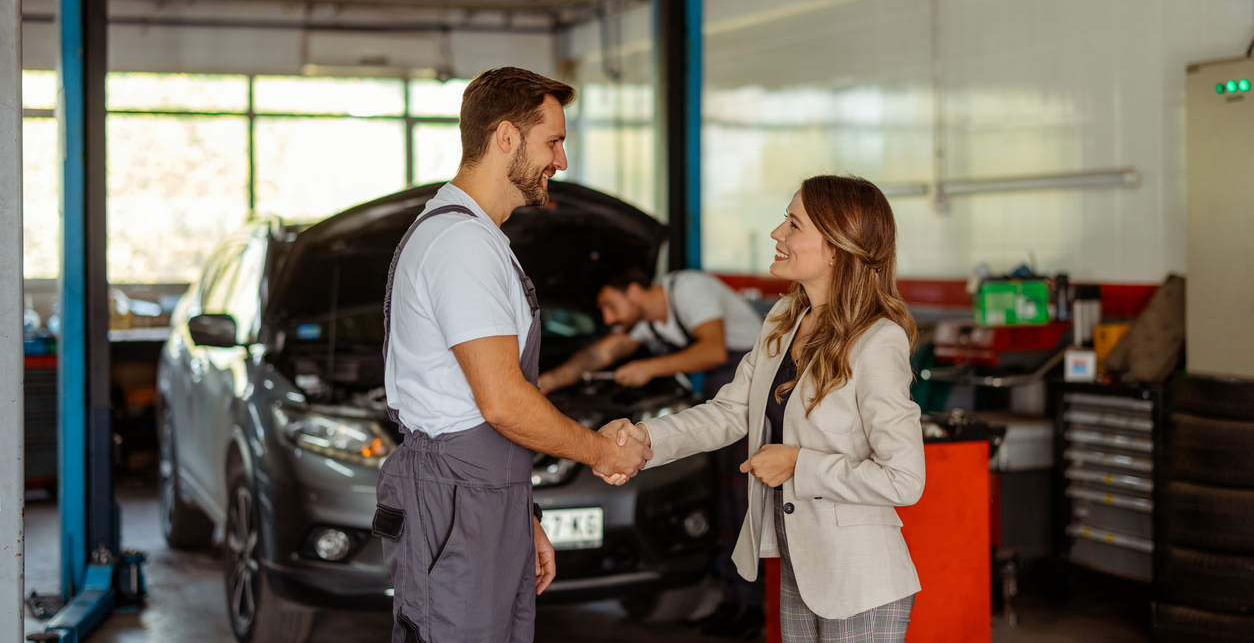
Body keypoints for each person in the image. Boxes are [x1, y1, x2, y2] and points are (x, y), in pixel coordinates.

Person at [375, 67, 652, 643]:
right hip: (456, 504)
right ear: (506, 136)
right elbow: (502, 402)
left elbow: (469, 404)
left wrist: (520, 514)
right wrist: (603, 450)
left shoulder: (477, 238)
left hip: (480, 501)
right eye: (553, 141)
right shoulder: (461, 244)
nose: (561, 161)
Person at [601, 175, 925, 643]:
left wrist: (798, 464)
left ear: (836, 249)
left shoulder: (878, 340)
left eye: (794, 224)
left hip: (860, 580)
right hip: (799, 567)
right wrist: (647, 437)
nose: (777, 233)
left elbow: (904, 478)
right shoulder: (782, 320)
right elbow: (730, 412)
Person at [538, 266, 767, 636]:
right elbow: (598, 355)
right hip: (721, 395)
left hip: (748, 398)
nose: (608, 319)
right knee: (725, 504)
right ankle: (733, 601)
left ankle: (751, 607)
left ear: (633, 290)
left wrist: (650, 367)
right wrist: (546, 383)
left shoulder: (688, 289)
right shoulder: (650, 325)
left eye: (610, 306)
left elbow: (713, 350)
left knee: (740, 503)